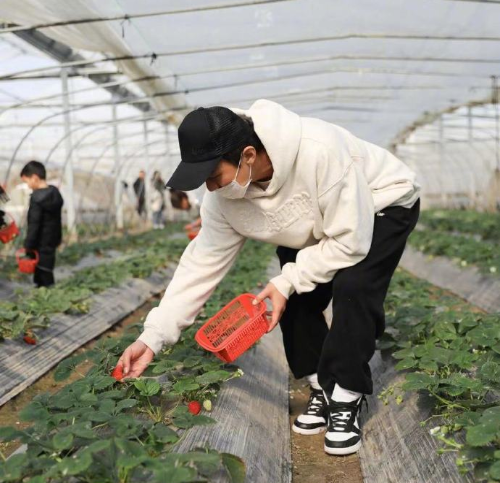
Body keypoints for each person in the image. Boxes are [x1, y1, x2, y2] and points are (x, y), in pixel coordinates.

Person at [118, 100, 420, 456]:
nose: (210, 189)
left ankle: (346, 394)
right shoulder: (223, 200)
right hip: (311, 222)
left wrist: (286, 280)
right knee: (290, 297)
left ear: (248, 155)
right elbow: (199, 265)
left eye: (214, 176)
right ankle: (319, 385)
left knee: (354, 287)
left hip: (379, 204)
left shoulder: (319, 152)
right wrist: (153, 337)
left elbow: (350, 242)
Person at [20, 160, 64, 288]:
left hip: (39, 243)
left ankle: (48, 300)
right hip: (52, 241)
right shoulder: (55, 193)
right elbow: (57, 220)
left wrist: (28, 246)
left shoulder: (37, 198)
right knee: (47, 270)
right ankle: (47, 297)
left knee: (42, 276)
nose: (27, 186)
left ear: (34, 178)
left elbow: (34, 225)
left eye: (27, 181)